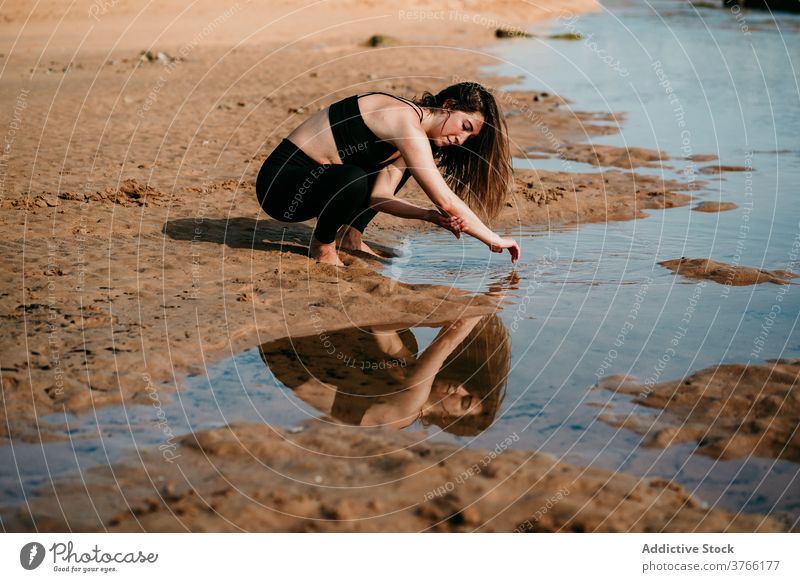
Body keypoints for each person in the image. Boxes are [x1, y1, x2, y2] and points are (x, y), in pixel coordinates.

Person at [255, 82, 521, 266]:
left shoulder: (416, 140)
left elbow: (379, 197)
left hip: (322, 185)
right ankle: (322, 247)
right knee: (353, 178)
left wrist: (429, 216)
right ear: (448, 104)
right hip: (281, 186)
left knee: (368, 175)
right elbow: (446, 200)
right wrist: (493, 240)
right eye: (464, 126)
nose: (461, 139)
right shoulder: (403, 120)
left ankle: (350, 236)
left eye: (468, 137)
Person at [259, 315, 510, 435]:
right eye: (469, 388)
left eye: (463, 401)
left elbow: (446, 343)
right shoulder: (413, 384)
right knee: (404, 345)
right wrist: (431, 318)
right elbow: (382, 330)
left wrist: (484, 305)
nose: (460, 388)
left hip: (285, 354)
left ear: (447, 419)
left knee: (404, 345)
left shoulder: (409, 407)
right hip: (298, 356)